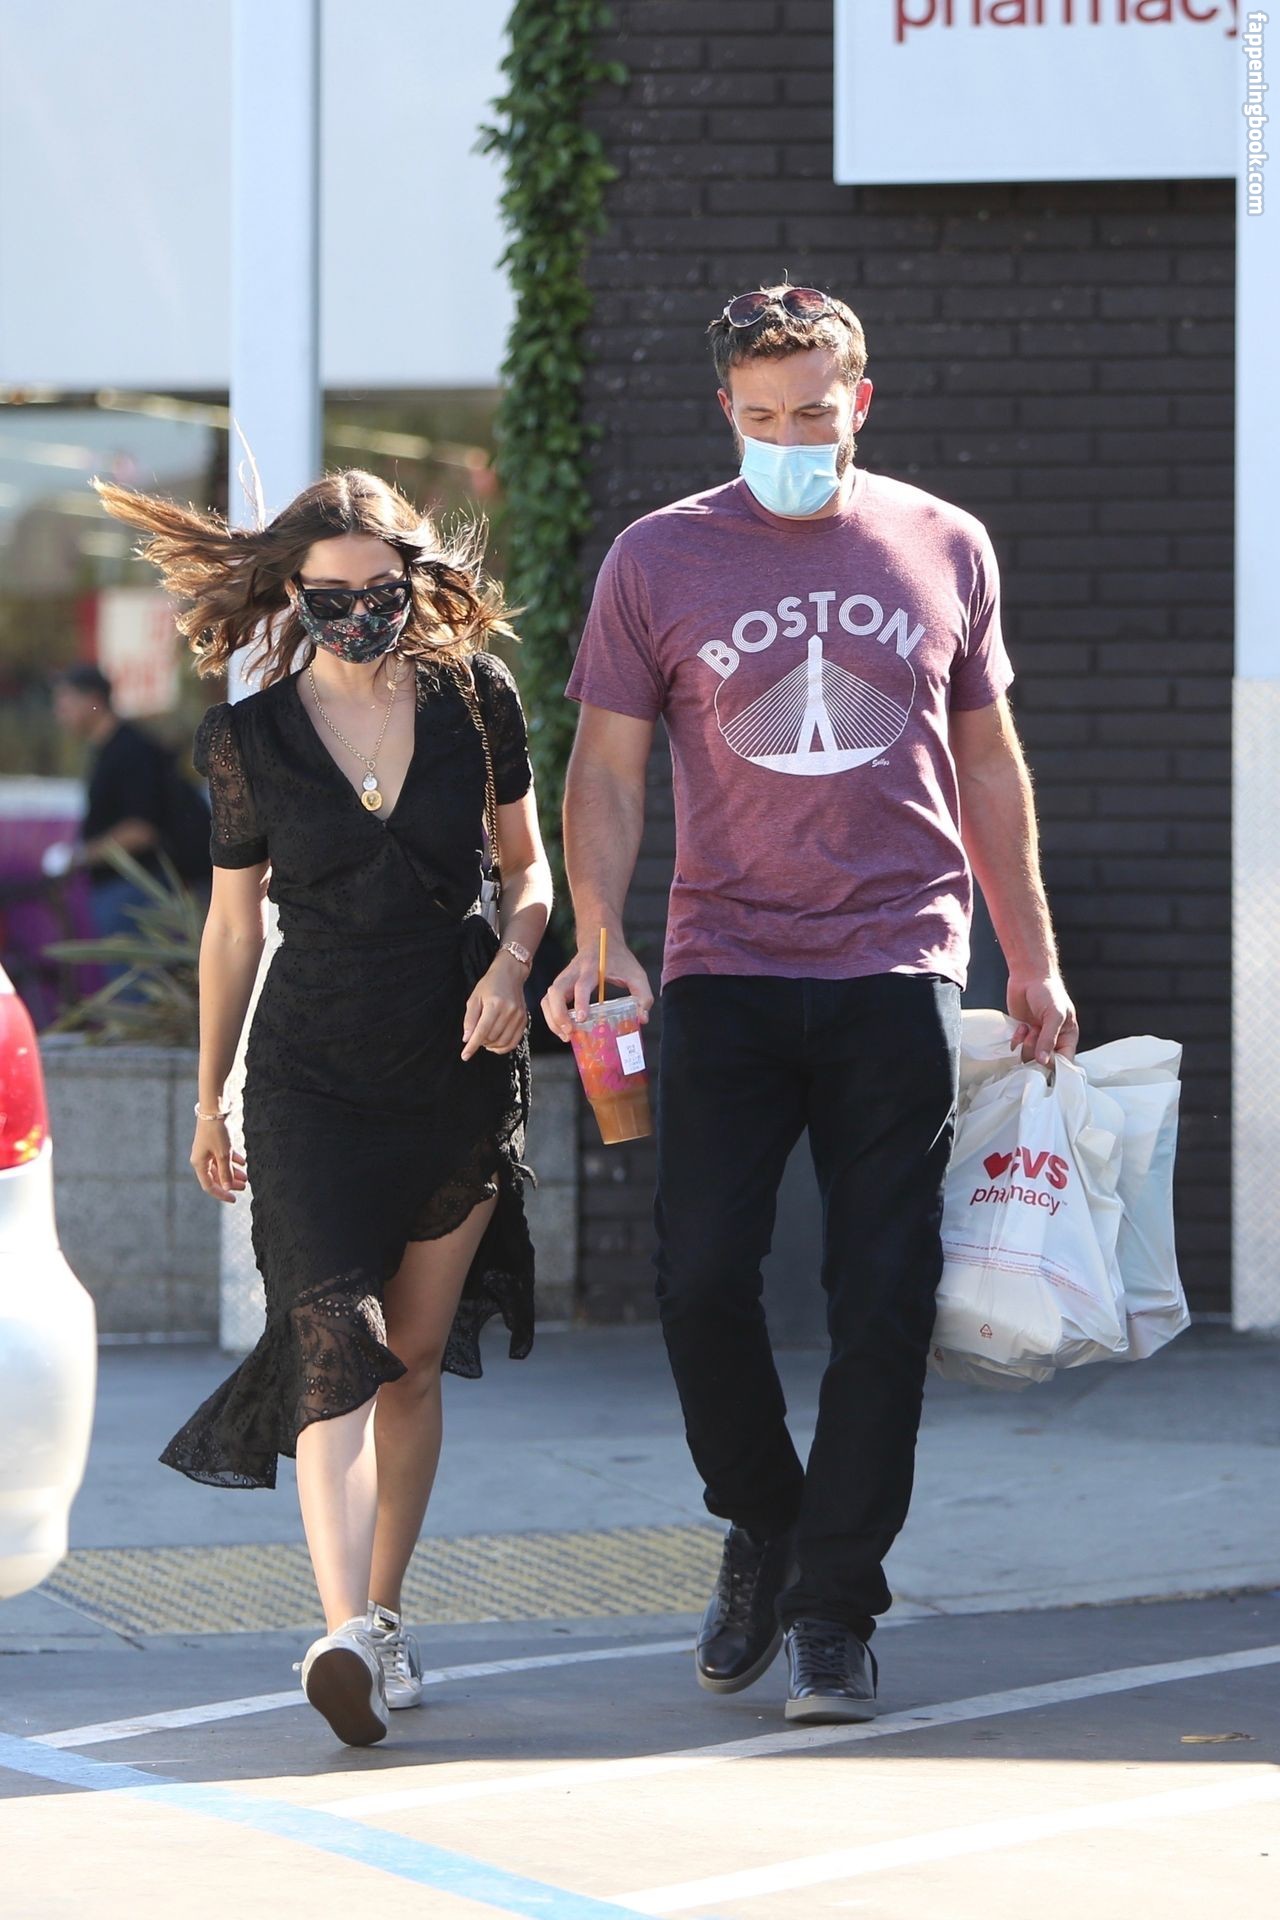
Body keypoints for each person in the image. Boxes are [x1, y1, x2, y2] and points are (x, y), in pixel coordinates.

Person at [543, 284, 1077, 1726]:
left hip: (897, 964)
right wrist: (598, 936)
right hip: (721, 963)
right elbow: (605, 771)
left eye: (814, 414)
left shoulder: (944, 543)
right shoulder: (658, 557)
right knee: (701, 1279)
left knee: (883, 1294)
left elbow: (988, 762)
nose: (790, 439)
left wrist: (1029, 954)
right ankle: (765, 1520)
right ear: (726, 411)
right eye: (763, 416)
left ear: (860, 402)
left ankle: (834, 1607)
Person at [96, 469, 552, 1746]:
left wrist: (515, 967)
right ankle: (342, 1629)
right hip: (308, 1076)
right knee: (331, 1342)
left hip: (454, 1063)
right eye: (331, 596)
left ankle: (385, 1618)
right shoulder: (247, 738)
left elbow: (529, 871)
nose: (359, 615)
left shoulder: (475, 699)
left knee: (412, 1360)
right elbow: (231, 931)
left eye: (380, 591)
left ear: (414, 582)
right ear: (293, 596)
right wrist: (209, 1098)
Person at [48, 663, 211, 931]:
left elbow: (141, 830)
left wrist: (78, 857)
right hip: (124, 890)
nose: (59, 713)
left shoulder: (131, 751)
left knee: (135, 961)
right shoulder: (110, 750)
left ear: (92, 701)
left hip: (137, 891)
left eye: (65, 703)